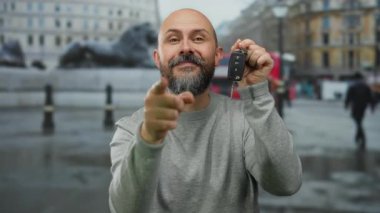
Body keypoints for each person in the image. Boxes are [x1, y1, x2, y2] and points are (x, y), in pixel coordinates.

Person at [109, 8, 302, 213]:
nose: (186, 48)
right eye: (173, 40)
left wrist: (258, 95)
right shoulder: (130, 129)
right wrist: (148, 140)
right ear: (157, 58)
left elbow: (286, 184)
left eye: (198, 38)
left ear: (218, 55)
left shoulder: (246, 119)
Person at [345, 72, 375, 150]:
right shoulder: (366, 86)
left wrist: (346, 105)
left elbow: (348, 96)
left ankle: (362, 136)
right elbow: (370, 97)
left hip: (356, 106)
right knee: (359, 120)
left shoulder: (353, 86)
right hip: (363, 106)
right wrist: (372, 106)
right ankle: (358, 135)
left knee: (357, 120)